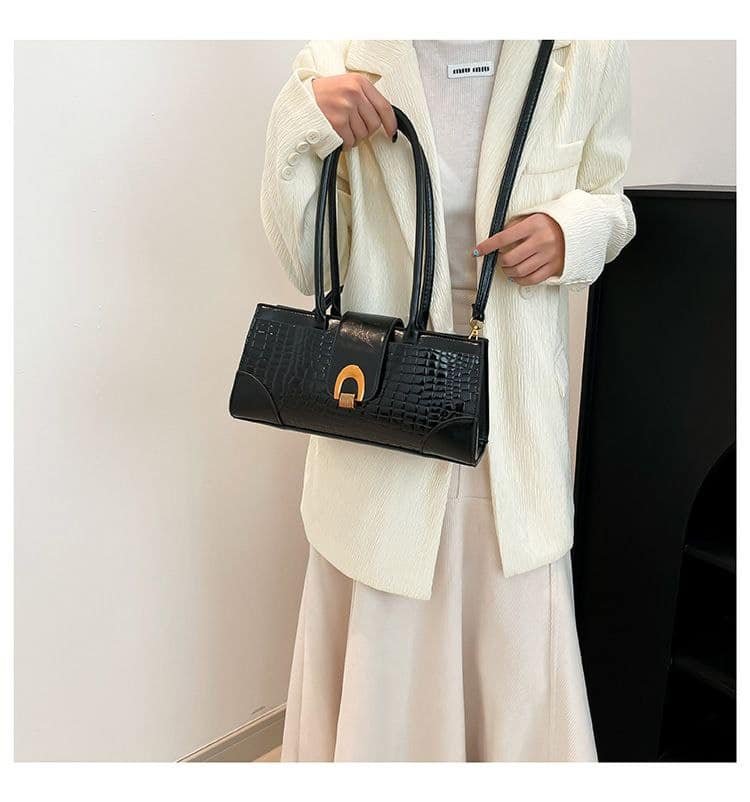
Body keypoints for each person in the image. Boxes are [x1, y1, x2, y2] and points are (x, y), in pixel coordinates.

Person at [260, 40, 636, 762]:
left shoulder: (585, 46)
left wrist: (572, 231)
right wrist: (302, 119)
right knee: (387, 659)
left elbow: (612, 199)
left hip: (511, 432)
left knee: (517, 664)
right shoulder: (343, 49)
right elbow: (307, 264)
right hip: (384, 422)